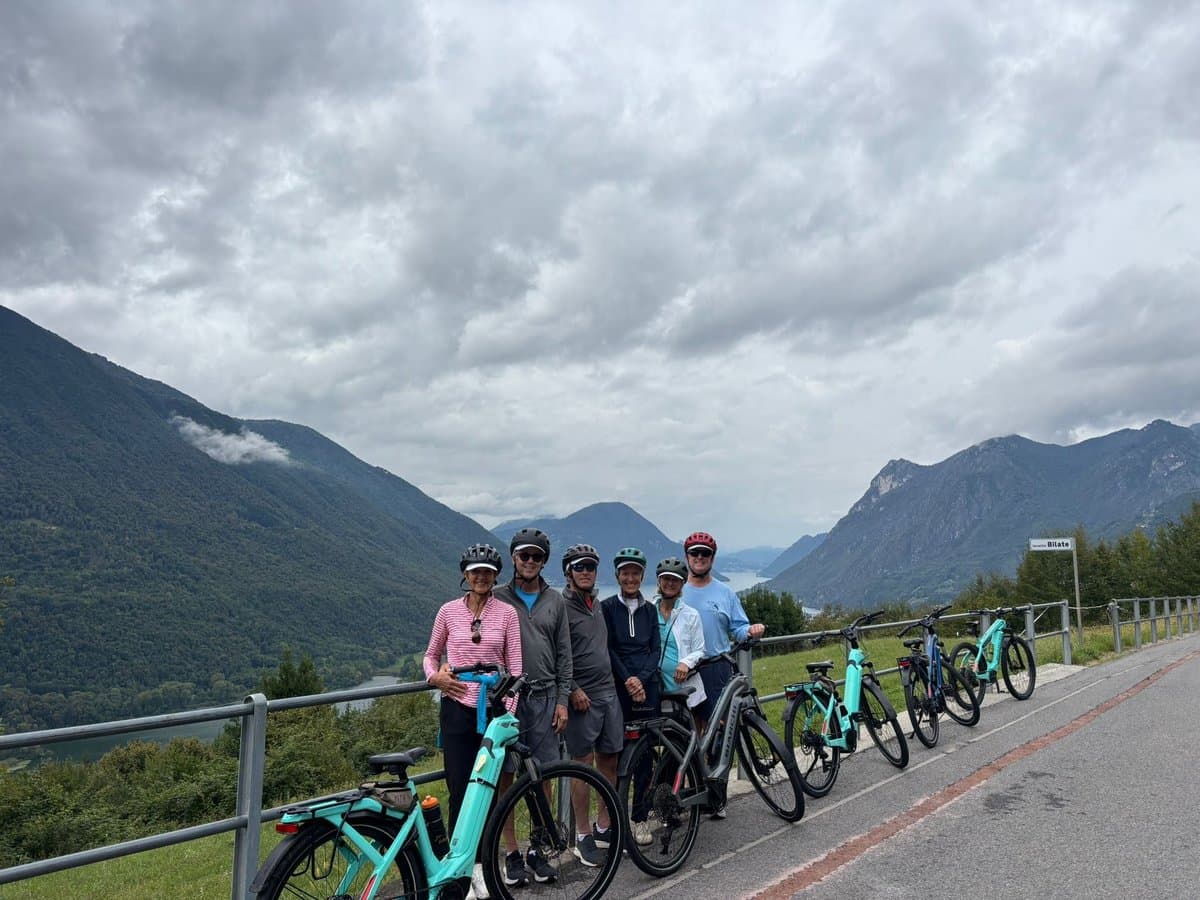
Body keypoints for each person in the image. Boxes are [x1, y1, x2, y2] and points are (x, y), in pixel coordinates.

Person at [423, 543, 522, 898]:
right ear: (465, 575)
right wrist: (435, 678)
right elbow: (431, 656)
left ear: (496, 576)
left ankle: (483, 866)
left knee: (490, 794)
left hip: (493, 710)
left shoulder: (507, 614)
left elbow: (516, 669)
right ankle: (460, 871)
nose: (481, 577)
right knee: (459, 791)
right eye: (475, 571)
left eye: (488, 572)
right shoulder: (448, 611)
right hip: (457, 707)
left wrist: (508, 713)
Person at [493, 527, 572, 887]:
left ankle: (538, 851)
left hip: (543, 700)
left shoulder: (554, 600)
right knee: (505, 779)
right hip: (508, 700)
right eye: (524, 555)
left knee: (543, 779)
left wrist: (561, 701)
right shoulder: (495, 598)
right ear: (513, 558)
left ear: (543, 562)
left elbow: (564, 656)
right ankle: (510, 854)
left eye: (536, 557)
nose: (529, 562)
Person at [680, 530, 765, 818]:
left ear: (712, 558)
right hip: (686, 670)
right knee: (689, 733)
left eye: (705, 553)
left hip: (717, 667)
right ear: (687, 557)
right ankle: (690, 792)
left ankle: (717, 797)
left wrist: (751, 630)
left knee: (721, 732)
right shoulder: (676, 589)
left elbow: (738, 628)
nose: (700, 558)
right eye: (695, 553)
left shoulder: (726, 593)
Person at [559, 543, 623, 865]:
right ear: (568, 572)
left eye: (591, 567)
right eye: (580, 566)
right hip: (582, 698)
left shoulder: (595, 603)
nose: (586, 572)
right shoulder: (561, 607)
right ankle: (582, 835)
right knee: (582, 767)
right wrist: (571, 689)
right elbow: (556, 654)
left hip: (608, 692)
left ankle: (603, 826)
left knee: (608, 761)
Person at [601, 547, 661, 723]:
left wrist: (640, 680)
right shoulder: (607, 607)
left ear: (642, 576)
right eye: (625, 573)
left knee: (648, 739)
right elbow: (608, 648)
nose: (630, 579)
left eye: (636, 573)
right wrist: (628, 680)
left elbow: (655, 649)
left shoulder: (650, 609)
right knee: (620, 738)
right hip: (619, 683)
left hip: (647, 682)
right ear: (617, 576)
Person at [654, 557, 709, 726]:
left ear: (682, 583)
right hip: (657, 687)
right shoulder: (648, 610)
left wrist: (686, 662)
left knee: (688, 736)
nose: (670, 583)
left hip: (684, 688)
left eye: (675, 580)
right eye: (666, 578)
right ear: (659, 581)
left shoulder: (691, 615)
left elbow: (700, 650)